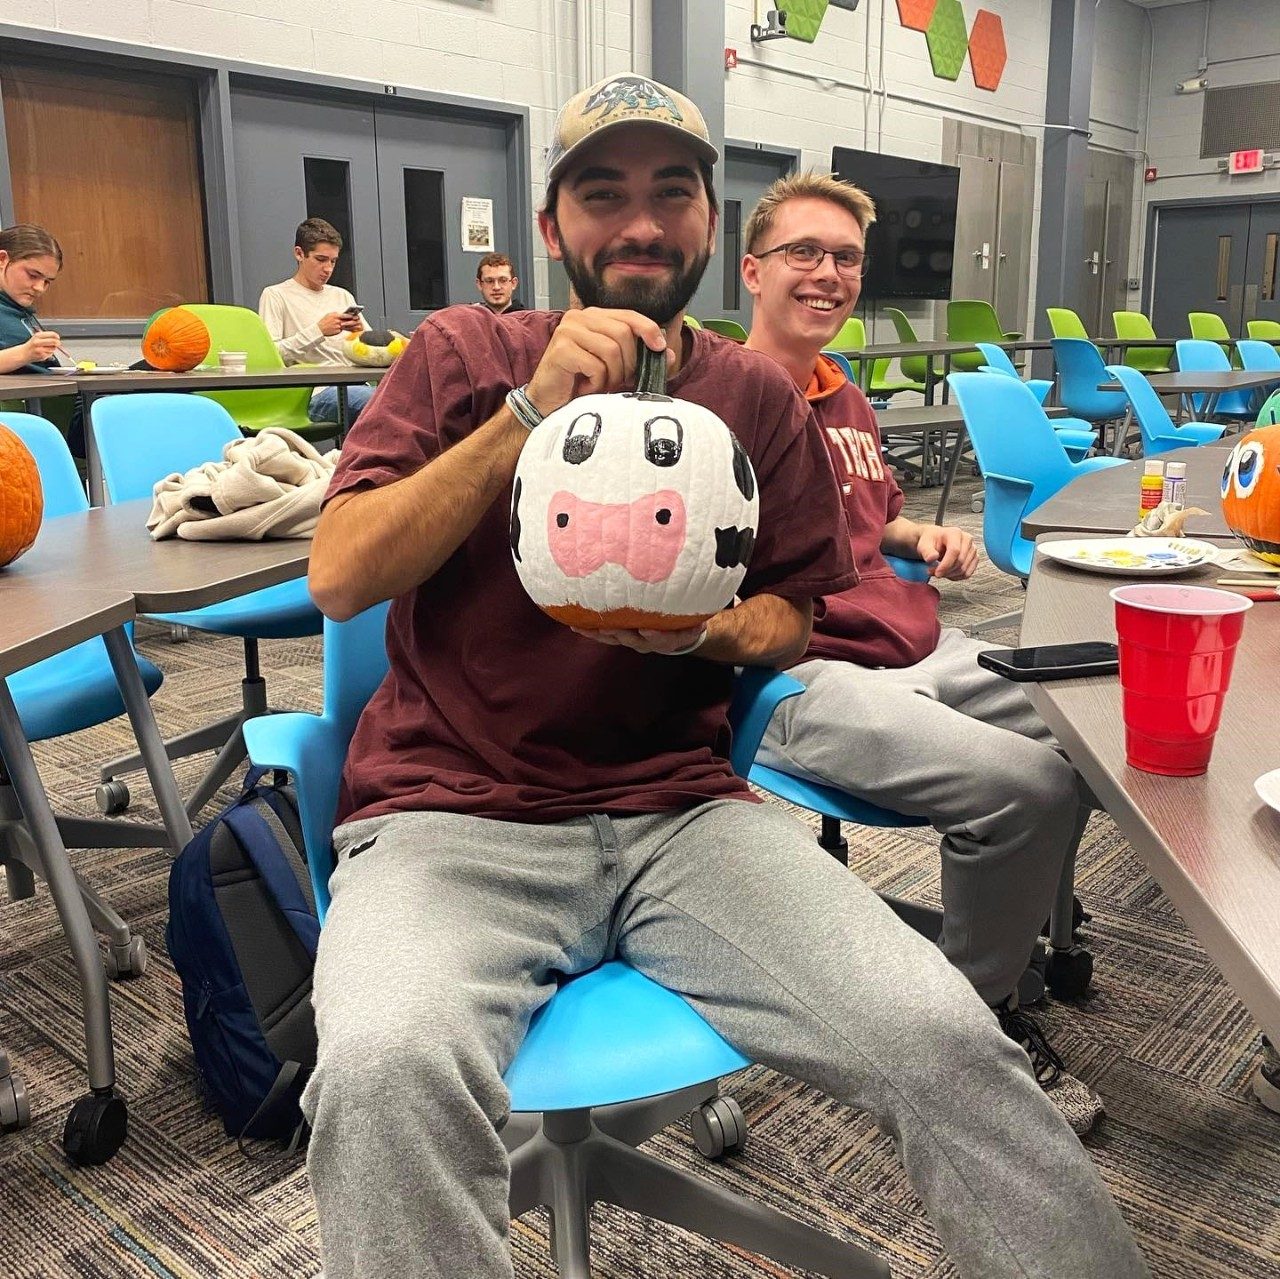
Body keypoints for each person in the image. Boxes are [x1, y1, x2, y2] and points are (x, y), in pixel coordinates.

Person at [304, 73, 1150, 1279]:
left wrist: (703, 634)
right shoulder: (461, 351)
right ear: (552, 229)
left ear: (709, 223)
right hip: (452, 818)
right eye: (603, 194)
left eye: (671, 194)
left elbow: (794, 619)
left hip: (682, 813)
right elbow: (339, 574)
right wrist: (524, 411)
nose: (639, 223)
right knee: (385, 1070)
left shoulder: (751, 393)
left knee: (944, 1037)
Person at [741, 171, 1104, 1131]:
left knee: (1107, 713)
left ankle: (1014, 913)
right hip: (797, 673)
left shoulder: (844, 397)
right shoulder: (722, 404)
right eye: (803, 254)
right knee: (1034, 787)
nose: (827, 274)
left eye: (846, 258)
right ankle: (973, 1018)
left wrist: (916, 540)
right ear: (752, 271)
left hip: (914, 645)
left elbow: (873, 517)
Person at [258, 217, 374, 425]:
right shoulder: (276, 295)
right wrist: (318, 331)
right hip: (314, 392)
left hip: (355, 383)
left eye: (333, 261)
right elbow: (272, 357)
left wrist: (360, 335)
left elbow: (374, 354)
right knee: (379, 404)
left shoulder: (342, 296)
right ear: (299, 254)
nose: (328, 269)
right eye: (321, 260)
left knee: (408, 401)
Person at [0, 224, 64, 375]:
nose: (39, 288)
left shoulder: (19, 311)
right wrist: (24, 353)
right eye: (33, 275)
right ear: (2, 259)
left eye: (47, 281)